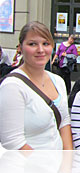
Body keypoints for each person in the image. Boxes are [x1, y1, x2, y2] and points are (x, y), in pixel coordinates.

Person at [0, 21, 73, 150]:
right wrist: (44, 168)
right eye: (32, 44)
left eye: (45, 44)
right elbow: (13, 142)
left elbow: (64, 123)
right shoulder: (12, 87)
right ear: (20, 48)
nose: (40, 50)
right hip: (27, 167)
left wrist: (66, 164)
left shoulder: (58, 81)